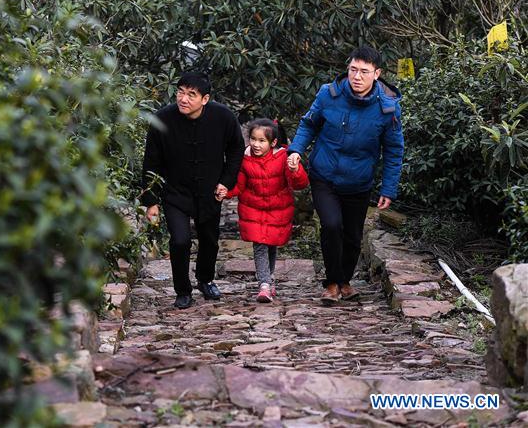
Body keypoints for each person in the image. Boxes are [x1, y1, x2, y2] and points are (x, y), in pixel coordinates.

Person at [287, 46, 404, 305]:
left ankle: (345, 282)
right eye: (353, 70)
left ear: (377, 74)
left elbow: (394, 150)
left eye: (364, 71)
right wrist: (295, 149)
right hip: (324, 174)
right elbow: (309, 124)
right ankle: (332, 283)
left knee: (352, 235)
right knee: (331, 225)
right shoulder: (328, 94)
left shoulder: (388, 108)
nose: (357, 76)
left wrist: (388, 188)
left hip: (359, 180)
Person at [141, 70, 245, 309]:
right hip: (175, 191)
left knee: (210, 240)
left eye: (191, 94)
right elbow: (151, 162)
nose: (183, 99)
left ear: (205, 99)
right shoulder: (162, 119)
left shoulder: (223, 117)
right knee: (180, 241)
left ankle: (205, 279)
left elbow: (236, 149)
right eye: (180, 92)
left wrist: (226, 181)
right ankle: (182, 290)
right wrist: (151, 200)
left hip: (210, 190)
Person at [217, 118, 309, 303]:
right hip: (254, 209)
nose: (256, 144)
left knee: (271, 244)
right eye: (253, 139)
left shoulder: (283, 157)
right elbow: (239, 185)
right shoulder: (245, 159)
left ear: (273, 142)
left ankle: (270, 278)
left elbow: (299, 184)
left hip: (277, 209)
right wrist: (227, 192)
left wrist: (295, 170)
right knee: (260, 245)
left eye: (261, 141)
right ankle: (264, 285)